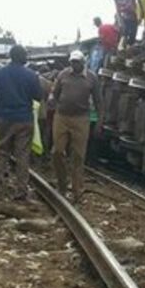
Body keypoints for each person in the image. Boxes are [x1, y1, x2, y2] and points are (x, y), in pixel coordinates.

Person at [0, 45, 43, 200]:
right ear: (20, 56)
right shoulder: (31, 75)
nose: (27, 58)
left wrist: (1, 100)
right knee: (22, 155)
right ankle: (21, 191)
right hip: (24, 119)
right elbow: (38, 96)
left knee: (1, 152)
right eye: (25, 55)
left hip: (4, 118)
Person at [51, 50, 101, 202]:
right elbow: (56, 93)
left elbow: (99, 101)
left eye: (77, 62)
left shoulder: (92, 78)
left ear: (83, 63)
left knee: (78, 156)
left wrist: (100, 121)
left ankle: (77, 191)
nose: (74, 64)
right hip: (62, 117)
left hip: (81, 119)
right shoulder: (63, 75)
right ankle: (62, 185)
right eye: (72, 62)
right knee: (57, 152)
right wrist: (52, 100)